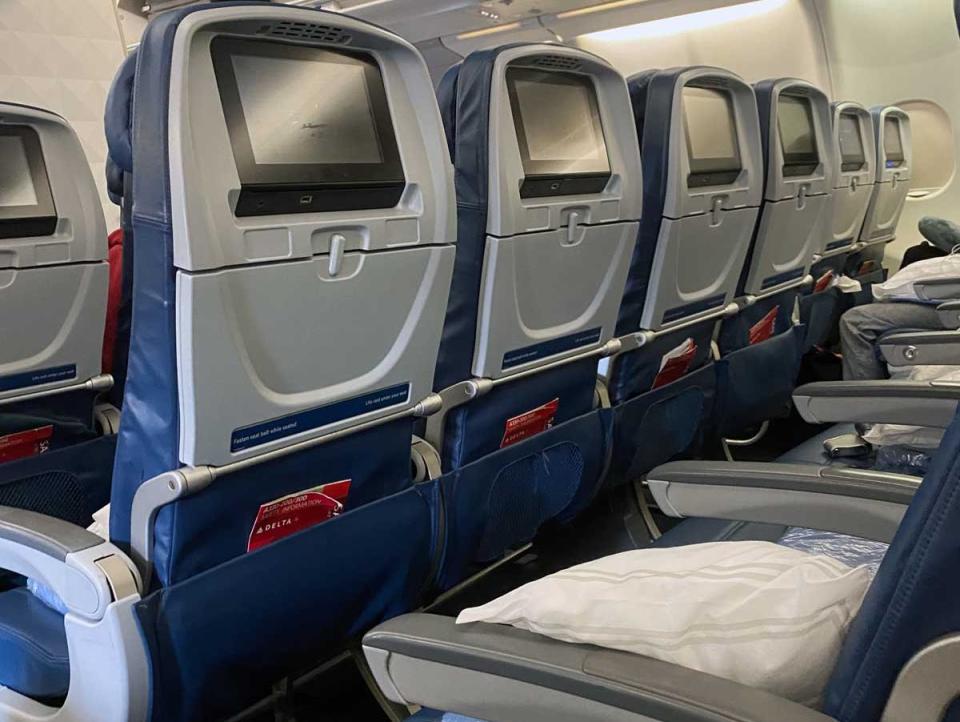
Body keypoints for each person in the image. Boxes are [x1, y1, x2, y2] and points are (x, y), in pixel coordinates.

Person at [839, 216, 960, 381]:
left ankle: (865, 401)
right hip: (947, 299)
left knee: (855, 321)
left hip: (951, 306)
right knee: (918, 252)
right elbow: (929, 225)